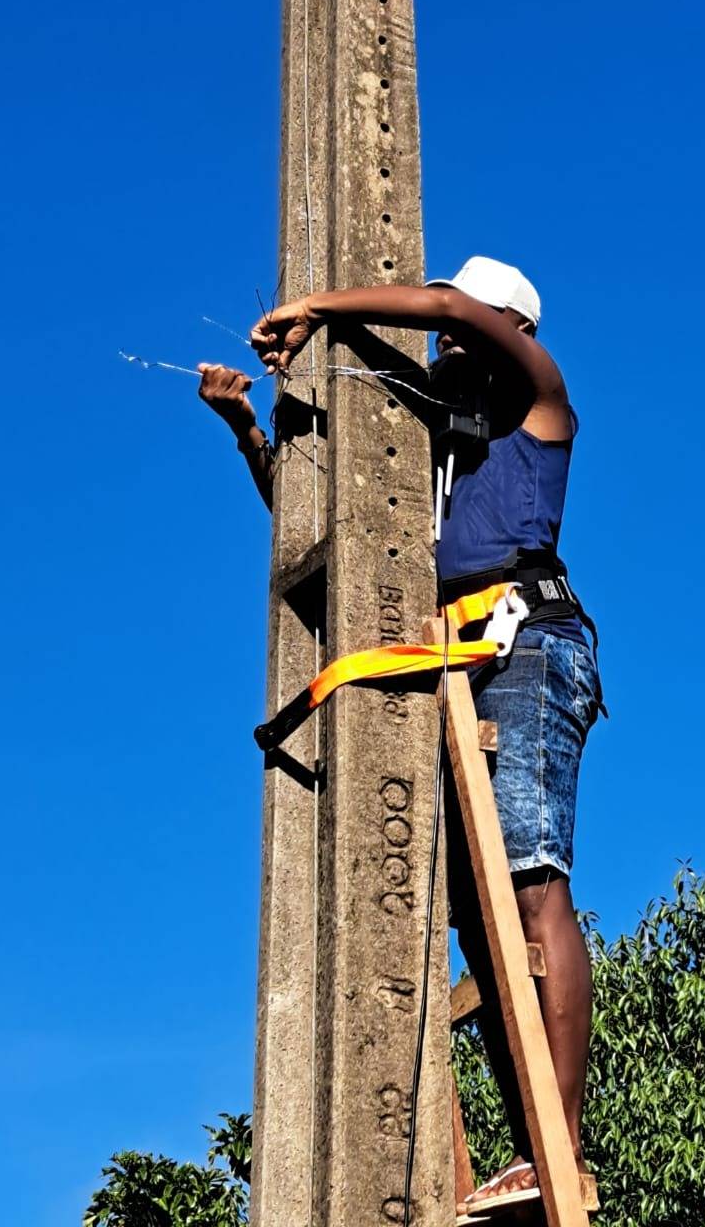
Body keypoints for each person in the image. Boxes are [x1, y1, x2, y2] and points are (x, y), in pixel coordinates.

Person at [198, 256, 601, 1214]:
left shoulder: (541, 406)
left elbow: (448, 304)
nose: (451, 341)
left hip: (529, 645)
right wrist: (250, 428)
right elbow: (351, 535)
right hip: (450, 661)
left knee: (531, 877)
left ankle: (563, 1146)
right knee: (472, 916)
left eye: (473, 329)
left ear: (517, 332)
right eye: (448, 335)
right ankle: (532, 1140)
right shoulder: (438, 444)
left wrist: (319, 306)